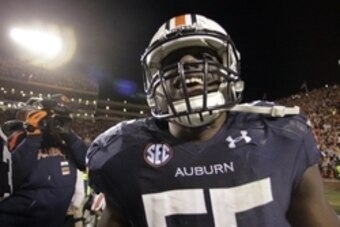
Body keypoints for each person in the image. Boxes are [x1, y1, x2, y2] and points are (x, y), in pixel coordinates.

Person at [86, 14, 340, 227]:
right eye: (172, 62)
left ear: (229, 70)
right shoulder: (121, 153)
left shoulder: (279, 135)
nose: (188, 67)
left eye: (206, 58)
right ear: (154, 83)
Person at [0, 94, 88, 227]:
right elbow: (11, 177)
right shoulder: (18, 137)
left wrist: (69, 135)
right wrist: (33, 137)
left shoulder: (67, 142)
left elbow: (88, 163)